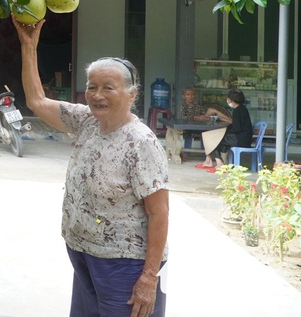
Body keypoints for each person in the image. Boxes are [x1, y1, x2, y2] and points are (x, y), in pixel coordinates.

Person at [14, 18, 168, 317]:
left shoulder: (141, 142)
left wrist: (149, 277)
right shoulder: (87, 121)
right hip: (83, 252)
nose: (98, 95)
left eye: (108, 87)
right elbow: (35, 100)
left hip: (124, 264)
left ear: (131, 94)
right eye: (92, 87)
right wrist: (29, 47)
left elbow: (158, 211)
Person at [199, 89, 252, 170]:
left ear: (231, 99)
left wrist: (225, 132)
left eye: (227, 98)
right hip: (244, 138)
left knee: (214, 139)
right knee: (215, 139)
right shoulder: (242, 109)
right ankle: (210, 160)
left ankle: (218, 162)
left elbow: (236, 128)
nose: (227, 100)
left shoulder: (237, 111)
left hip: (240, 139)